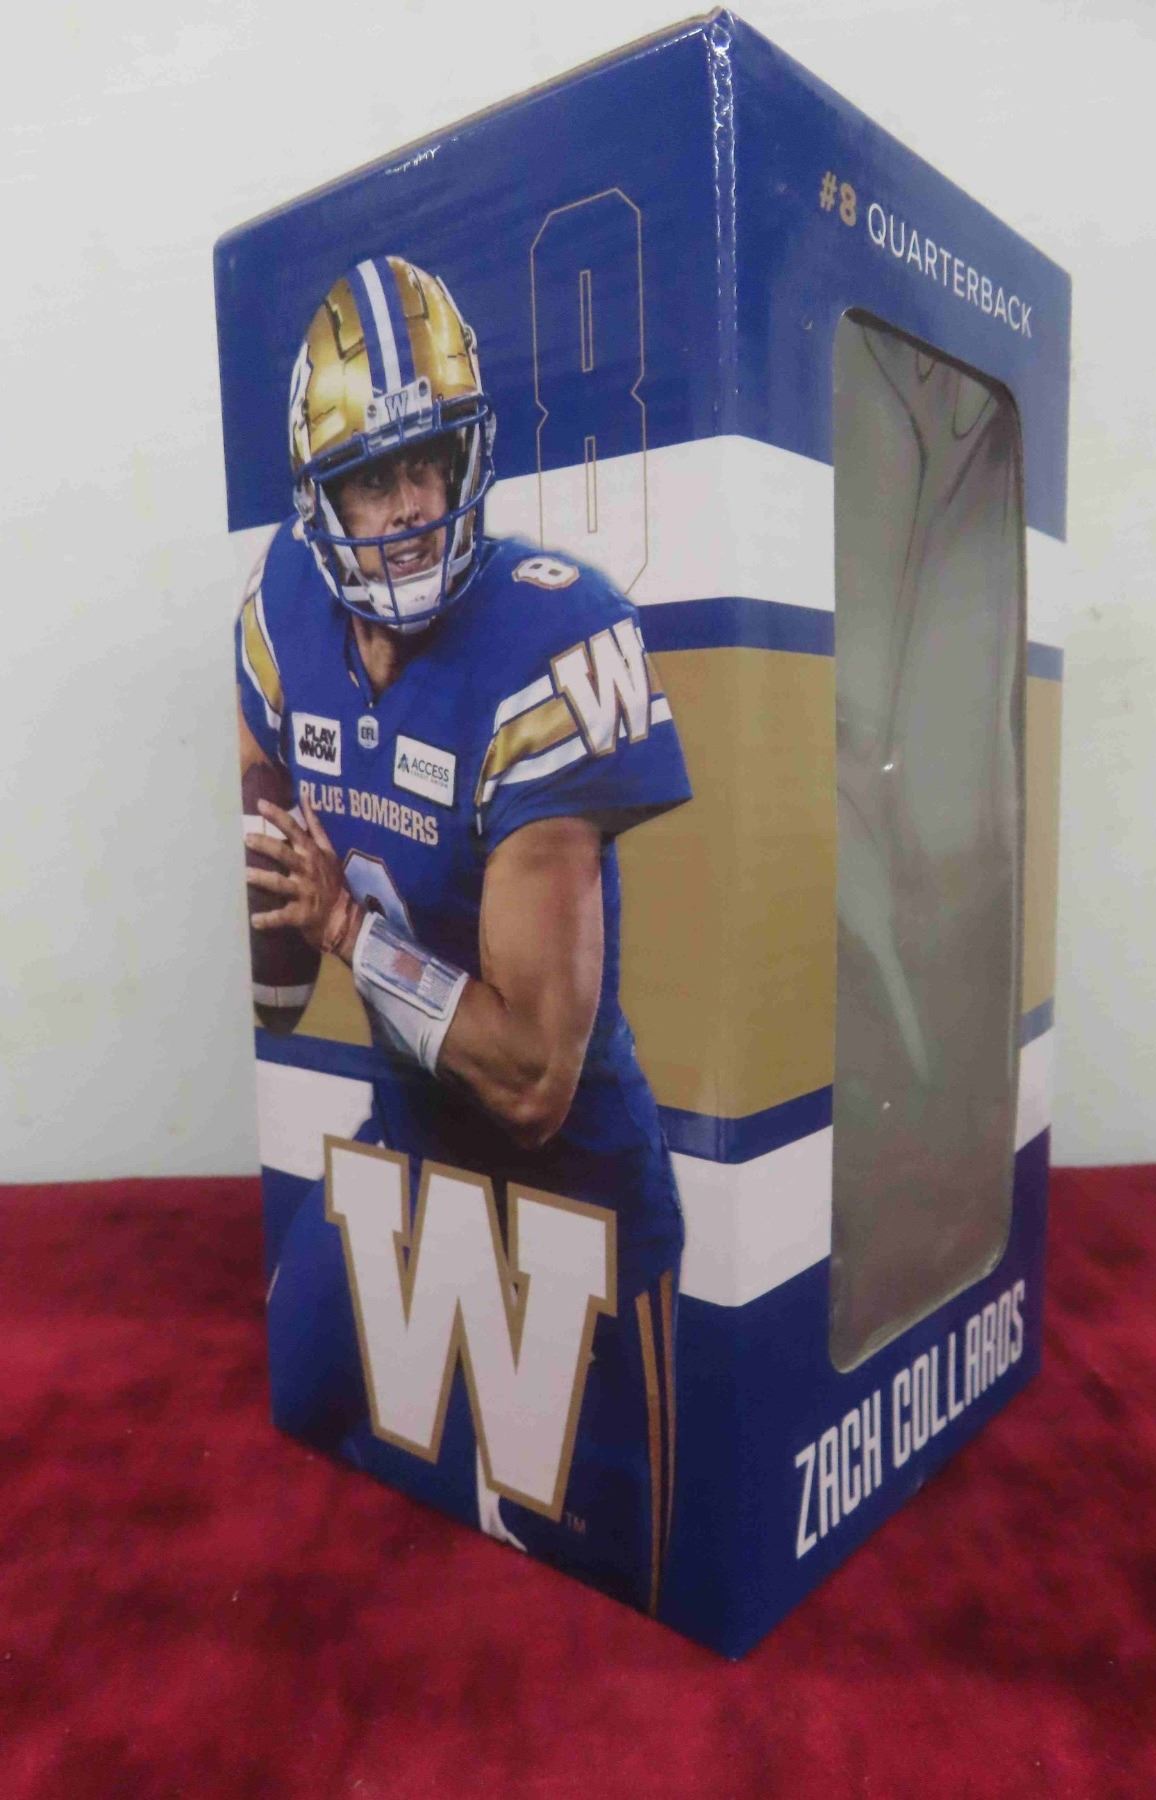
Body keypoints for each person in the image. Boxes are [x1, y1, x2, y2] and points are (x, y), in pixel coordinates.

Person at [235, 253, 690, 1614]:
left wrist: (344, 931)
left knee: (612, 1591)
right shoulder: (280, 609)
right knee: (296, 1393)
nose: (414, 506)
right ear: (318, 499)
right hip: (408, 1141)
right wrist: (274, 947)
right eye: (373, 478)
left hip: (576, 1197)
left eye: (430, 462)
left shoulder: (555, 638)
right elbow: (260, 794)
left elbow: (536, 1077)